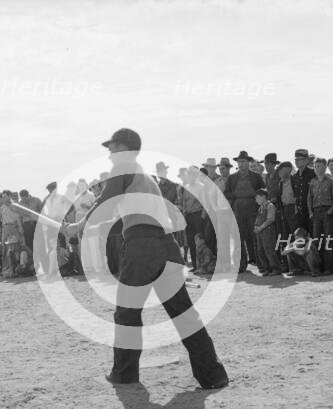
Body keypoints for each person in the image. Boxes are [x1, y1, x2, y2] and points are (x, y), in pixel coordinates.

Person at [65, 128, 228, 389]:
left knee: (127, 314)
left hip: (142, 250)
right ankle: (213, 375)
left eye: (113, 149)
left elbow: (107, 201)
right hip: (166, 246)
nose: (109, 155)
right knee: (184, 315)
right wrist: (90, 228)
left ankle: (125, 373)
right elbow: (128, 218)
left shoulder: (124, 168)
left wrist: (81, 222)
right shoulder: (144, 178)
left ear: (127, 150)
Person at [225, 150, 265, 271]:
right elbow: (226, 194)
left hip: (253, 210)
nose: (241, 164)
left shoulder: (256, 177)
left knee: (256, 237)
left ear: (248, 163)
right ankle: (241, 265)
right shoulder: (232, 178)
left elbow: (263, 192)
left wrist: (254, 195)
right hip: (238, 211)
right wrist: (236, 194)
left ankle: (261, 264)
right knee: (238, 239)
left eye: (243, 161)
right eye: (239, 162)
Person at [307, 157, 333, 274]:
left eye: (319, 166)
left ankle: (329, 268)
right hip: (316, 213)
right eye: (315, 166)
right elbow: (309, 199)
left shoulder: (331, 181)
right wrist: (310, 212)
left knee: (328, 240)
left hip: (327, 211)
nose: (317, 168)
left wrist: (330, 211)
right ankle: (318, 267)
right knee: (317, 240)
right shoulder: (313, 182)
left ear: (325, 167)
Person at [179, 165, 206, 272]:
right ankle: (195, 265)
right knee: (190, 242)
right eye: (189, 174)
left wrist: (202, 218)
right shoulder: (185, 187)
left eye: (193, 174)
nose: (191, 176)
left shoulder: (201, 187)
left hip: (198, 215)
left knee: (200, 242)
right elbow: (183, 203)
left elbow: (205, 204)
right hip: (188, 217)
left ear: (196, 175)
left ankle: (202, 266)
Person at [253, 188, 282, 276]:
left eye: (257, 197)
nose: (256, 199)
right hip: (260, 232)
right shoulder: (261, 207)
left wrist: (260, 227)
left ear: (263, 197)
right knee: (260, 250)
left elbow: (270, 219)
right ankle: (267, 268)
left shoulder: (270, 206)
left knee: (269, 249)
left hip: (268, 231)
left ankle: (276, 268)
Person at [215, 157, 234, 270]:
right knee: (223, 239)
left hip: (231, 211)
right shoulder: (217, 182)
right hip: (221, 211)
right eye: (220, 168)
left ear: (228, 168)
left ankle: (237, 263)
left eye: (223, 168)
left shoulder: (233, 180)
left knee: (236, 238)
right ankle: (226, 263)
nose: (222, 170)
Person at [292, 149, 316, 233]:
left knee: (314, 235)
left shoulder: (313, 173)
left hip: (312, 210)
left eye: (299, 159)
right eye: (296, 159)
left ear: (306, 160)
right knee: (301, 237)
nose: (297, 161)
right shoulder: (294, 177)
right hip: (300, 211)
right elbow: (295, 194)